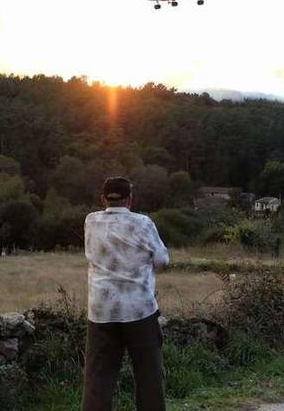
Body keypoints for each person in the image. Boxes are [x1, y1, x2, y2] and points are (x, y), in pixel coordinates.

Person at [81, 176, 170, 411]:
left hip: (101, 311)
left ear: (103, 199)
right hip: (139, 309)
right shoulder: (143, 223)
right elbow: (162, 261)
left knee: (97, 379)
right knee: (149, 375)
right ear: (130, 199)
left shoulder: (90, 221)